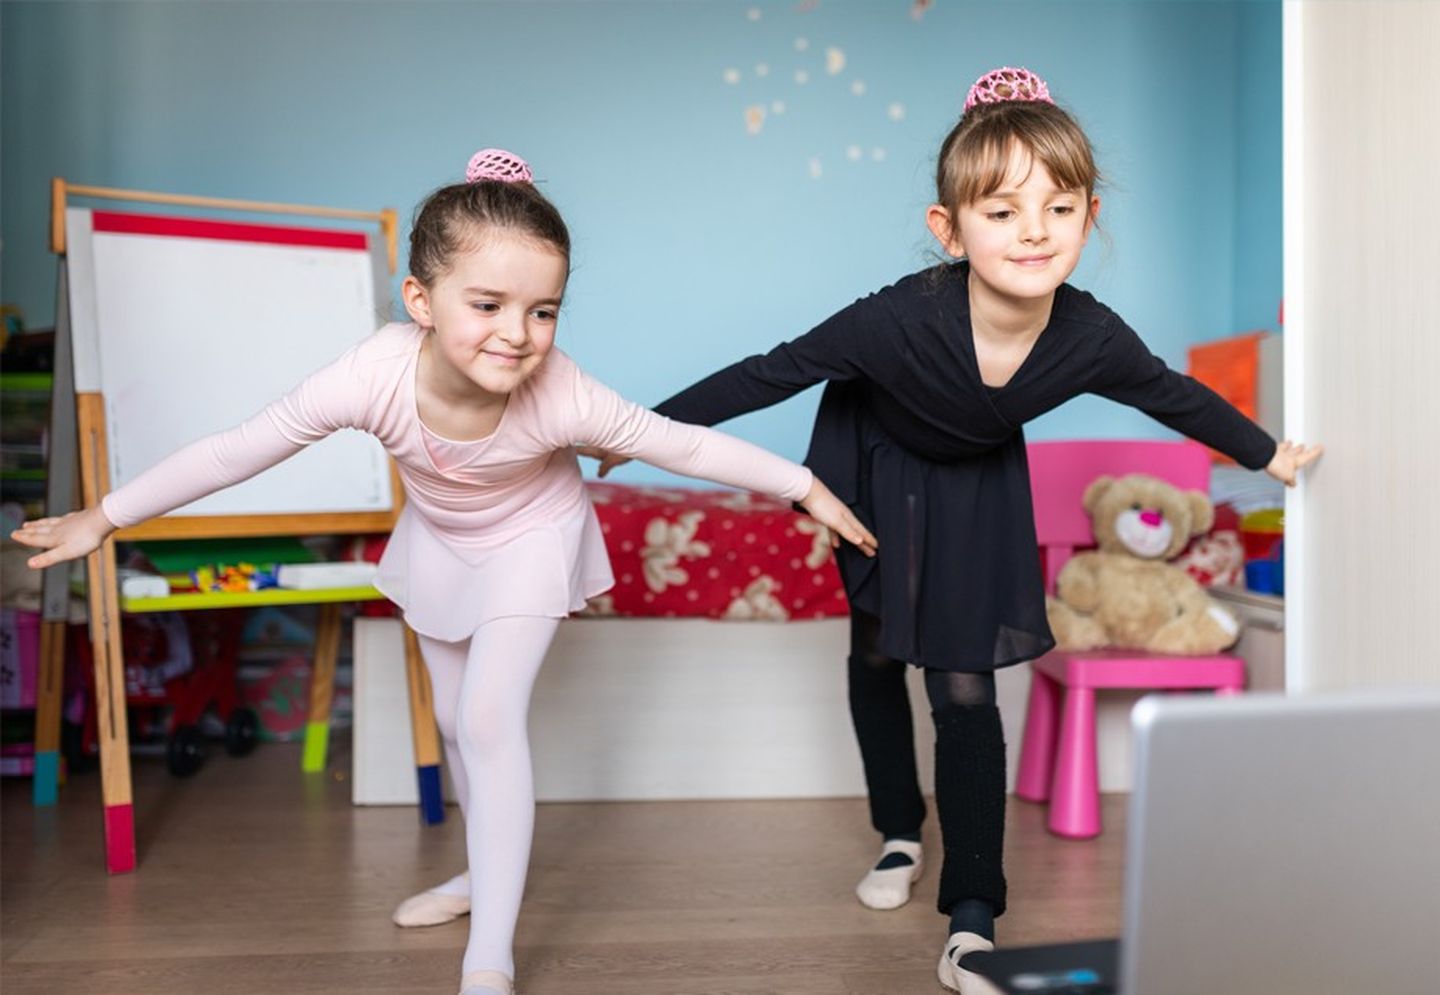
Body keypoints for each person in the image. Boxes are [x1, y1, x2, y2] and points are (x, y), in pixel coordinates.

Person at [10, 148, 877, 995]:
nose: (518, 333)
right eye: (491, 303)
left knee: (489, 715)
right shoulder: (372, 373)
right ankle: (477, 874)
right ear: (420, 300)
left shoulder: (563, 391)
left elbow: (682, 443)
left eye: (544, 311)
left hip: (533, 537)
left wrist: (805, 487)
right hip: (441, 539)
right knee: (459, 727)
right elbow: (238, 449)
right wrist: (105, 514)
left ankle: (490, 955)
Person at [585, 68, 1320, 994]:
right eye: (1003, 212)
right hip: (875, 460)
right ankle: (898, 829)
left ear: (1089, 217)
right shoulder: (896, 318)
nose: (1034, 233)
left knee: (965, 688)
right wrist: (637, 432)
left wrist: (1267, 455)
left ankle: (974, 915)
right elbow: (772, 371)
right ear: (951, 228)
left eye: (1058, 209)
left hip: (973, 481)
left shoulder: (1091, 336)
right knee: (881, 649)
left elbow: (1172, 394)